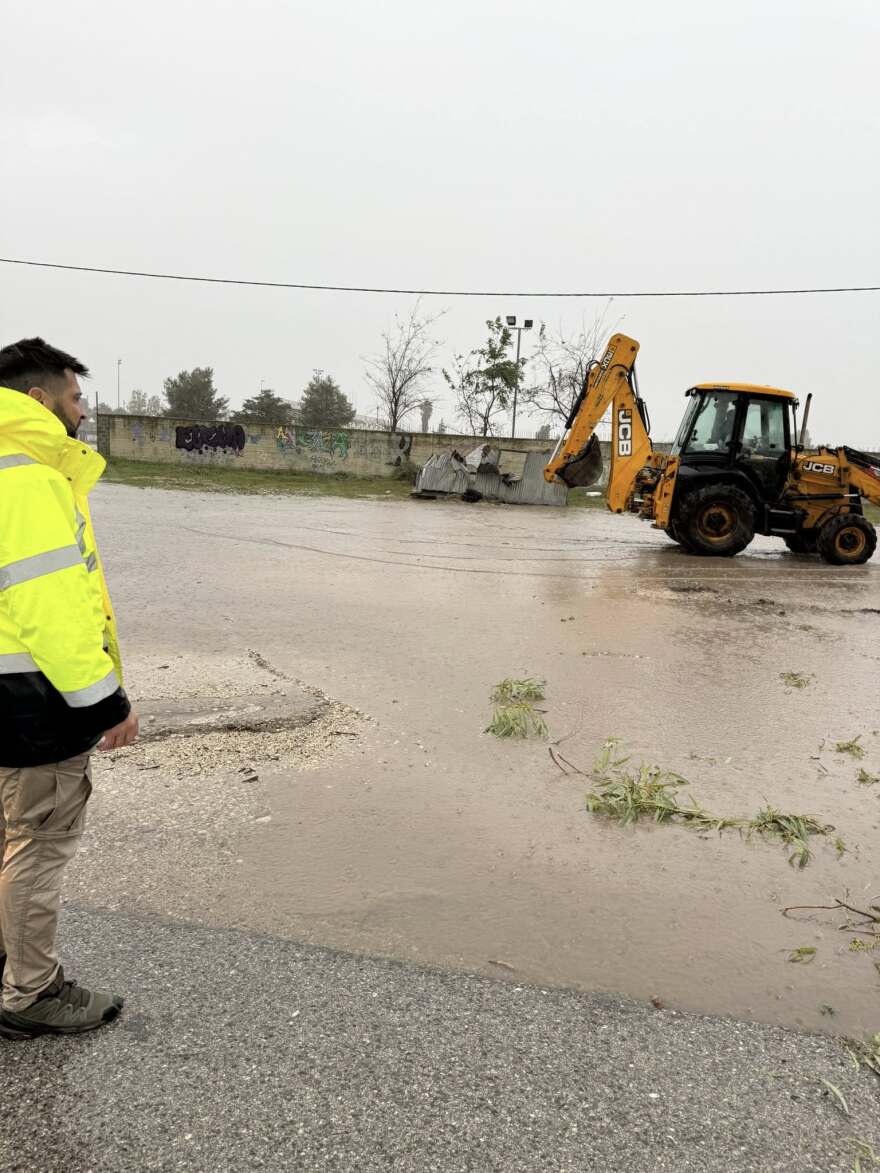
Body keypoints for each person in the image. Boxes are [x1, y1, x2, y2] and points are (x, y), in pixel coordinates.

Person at [0, 337, 138, 1039]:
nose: (82, 410)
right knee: (39, 843)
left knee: (8, 838)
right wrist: (107, 701)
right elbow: (51, 609)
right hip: (33, 701)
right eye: (75, 396)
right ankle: (31, 992)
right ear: (38, 398)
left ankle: (9, 967)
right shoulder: (26, 477)